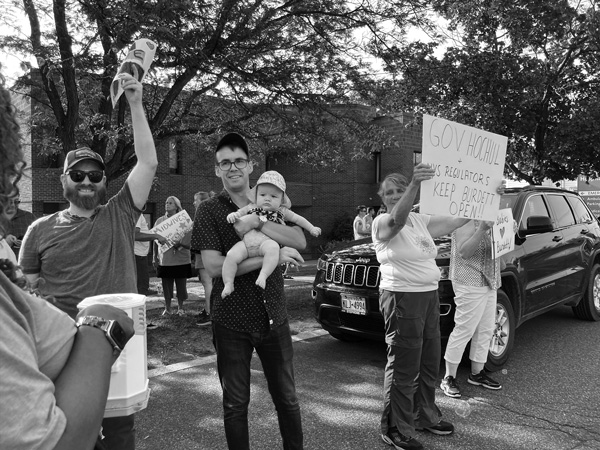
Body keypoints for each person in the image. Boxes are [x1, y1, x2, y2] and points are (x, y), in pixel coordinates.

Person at [19, 72, 157, 450]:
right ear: (64, 180)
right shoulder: (39, 231)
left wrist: (135, 103)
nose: (86, 181)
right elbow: (26, 292)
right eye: (77, 174)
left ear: (103, 181)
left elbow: (147, 162)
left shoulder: (119, 214)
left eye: (95, 175)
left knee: (118, 437)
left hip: (119, 349)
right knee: (68, 439)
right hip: (62, 358)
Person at [190, 132, 306, 450]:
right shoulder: (210, 211)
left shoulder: (272, 199)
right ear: (217, 170)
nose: (233, 168)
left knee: (288, 398)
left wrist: (259, 222)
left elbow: (300, 241)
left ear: (250, 165)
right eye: (224, 163)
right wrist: (271, 256)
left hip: (274, 317)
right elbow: (214, 267)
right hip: (230, 321)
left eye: (238, 161)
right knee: (235, 404)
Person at [373, 165, 473, 450]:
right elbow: (397, 221)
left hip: (428, 296)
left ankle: (423, 416)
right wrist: (415, 185)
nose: (394, 195)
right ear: (382, 198)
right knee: (404, 365)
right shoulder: (381, 221)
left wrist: (486, 199)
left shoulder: (420, 220)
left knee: (429, 361)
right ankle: (395, 428)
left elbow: (455, 221)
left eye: (399, 190)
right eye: (388, 192)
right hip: (402, 297)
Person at [440, 185, 507, 398]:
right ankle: (448, 377)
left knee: (486, 328)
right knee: (465, 328)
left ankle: (477, 373)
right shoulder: (464, 215)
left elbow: (501, 257)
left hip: (489, 279)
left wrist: (507, 237)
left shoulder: (495, 215)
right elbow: (464, 251)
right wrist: (482, 230)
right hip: (469, 279)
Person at [222, 170, 320, 297]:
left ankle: (263, 275)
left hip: (265, 244)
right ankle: (228, 283)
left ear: (281, 200)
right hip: (246, 244)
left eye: (274, 197)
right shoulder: (251, 207)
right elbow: (239, 214)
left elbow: (298, 219)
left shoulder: (282, 211)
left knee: (273, 249)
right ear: (256, 196)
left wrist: (312, 228)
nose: (267, 198)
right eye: (263, 195)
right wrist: (233, 216)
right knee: (231, 255)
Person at [152, 196, 192, 315]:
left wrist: (180, 243)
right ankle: (168, 308)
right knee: (166, 285)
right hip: (166, 259)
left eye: (170, 203)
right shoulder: (159, 221)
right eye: (166, 202)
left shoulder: (184, 220)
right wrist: (154, 256)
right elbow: (154, 239)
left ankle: (180, 308)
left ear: (176, 206)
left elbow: (190, 237)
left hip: (182, 258)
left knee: (181, 285)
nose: (167, 204)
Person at [134, 213, 167, 295]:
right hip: (137, 254)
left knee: (142, 284)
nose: (147, 199)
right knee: (142, 287)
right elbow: (135, 235)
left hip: (140, 254)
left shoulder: (135, 213)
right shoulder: (136, 214)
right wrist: (156, 236)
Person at [192, 191, 212, 325]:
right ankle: (208, 309)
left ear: (203, 202)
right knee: (207, 283)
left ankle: (210, 314)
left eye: (196, 200)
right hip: (203, 252)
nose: (194, 203)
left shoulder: (204, 215)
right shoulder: (207, 215)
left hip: (205, 252)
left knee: (208, 283)